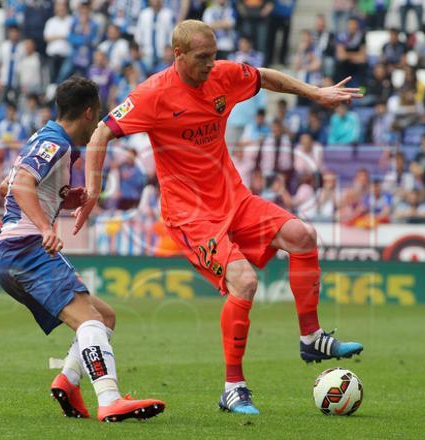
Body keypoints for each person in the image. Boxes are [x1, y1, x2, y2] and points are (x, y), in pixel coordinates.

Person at [74, 20, 363, 415]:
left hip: (234, 200)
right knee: (244, 280)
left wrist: (314, 92)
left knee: (302, 235)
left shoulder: (223, 75)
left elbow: (264, 78)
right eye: (202, 57)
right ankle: (233, 387)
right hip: (190, 216)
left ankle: (311, 338)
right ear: (178, 55)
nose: (212, 63)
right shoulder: (153, 94)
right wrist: (93, 191)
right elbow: (100, 135)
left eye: (214, 54)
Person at [0, 77, 165, 422]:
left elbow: (5, 187)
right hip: (26, 249)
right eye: (97, 115)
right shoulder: (56, 144)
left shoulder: (41, 137)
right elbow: (22, 184)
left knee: (105, 317)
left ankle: (68, 381)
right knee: (89, 322)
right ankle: (110, 399)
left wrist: (63, 196)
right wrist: (44, 226)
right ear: (88, 113)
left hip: (9, 253)